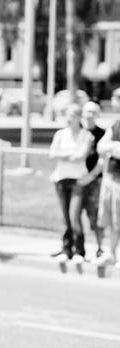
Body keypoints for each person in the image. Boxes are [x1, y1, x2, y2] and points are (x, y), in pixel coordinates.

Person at [47, 103, 93, 265]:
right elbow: (52, 154)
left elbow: (80, 156)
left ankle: (79, 249)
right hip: (61, 178)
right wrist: (69, 153)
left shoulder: (86, 135)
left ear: (78, 117)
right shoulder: (60, 134)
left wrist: (64, 154)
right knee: (65, 215)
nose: (68, 119)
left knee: (74, 215)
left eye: (72, 116)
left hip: (78, 179)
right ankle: (67, 248)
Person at [95, 89, 120, 268]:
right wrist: (114, 146)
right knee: (111, 218)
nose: (115, 102)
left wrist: (112, 147)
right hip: (111, 176)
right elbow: (101, 146)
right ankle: (111, 253)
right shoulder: (116, 124)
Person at [79, 101, 106, 259]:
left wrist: (91, 176)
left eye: (93, 112)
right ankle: (77, 249)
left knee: (95, 215)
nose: (89, 115)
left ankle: (100, 247)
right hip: (77, 179)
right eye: (87, 111)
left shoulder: (102, 134)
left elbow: (103, 160)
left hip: (95, 181)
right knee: (74, 215)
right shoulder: (78, 131)